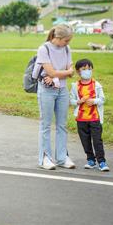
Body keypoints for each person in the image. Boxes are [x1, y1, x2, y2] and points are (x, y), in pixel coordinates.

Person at [33, 24, 75, 170]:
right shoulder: (43, 49)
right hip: (46, 90)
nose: (67, 44)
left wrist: (59, 73)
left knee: (62, 125)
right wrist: (62, 72)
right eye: (66, 41)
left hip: (62, 90)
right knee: (45, 125)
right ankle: (45, 158)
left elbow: (71, 71)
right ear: (57, 38)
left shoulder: (67, 49)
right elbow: (52, 72)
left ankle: (62, 158)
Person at [70, 59, 109, 171]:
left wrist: (94, 101)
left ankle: (102, 162)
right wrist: (79, 101)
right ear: (78, 71)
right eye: (84, 69)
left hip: (95, 118)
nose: (87, 71)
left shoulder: (96, 85)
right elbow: (71, 100)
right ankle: (90, 160)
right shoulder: (75, 86)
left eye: (89, 69)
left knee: (97, 141)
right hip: (81, 119)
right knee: (85, 141)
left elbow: (102, 99)